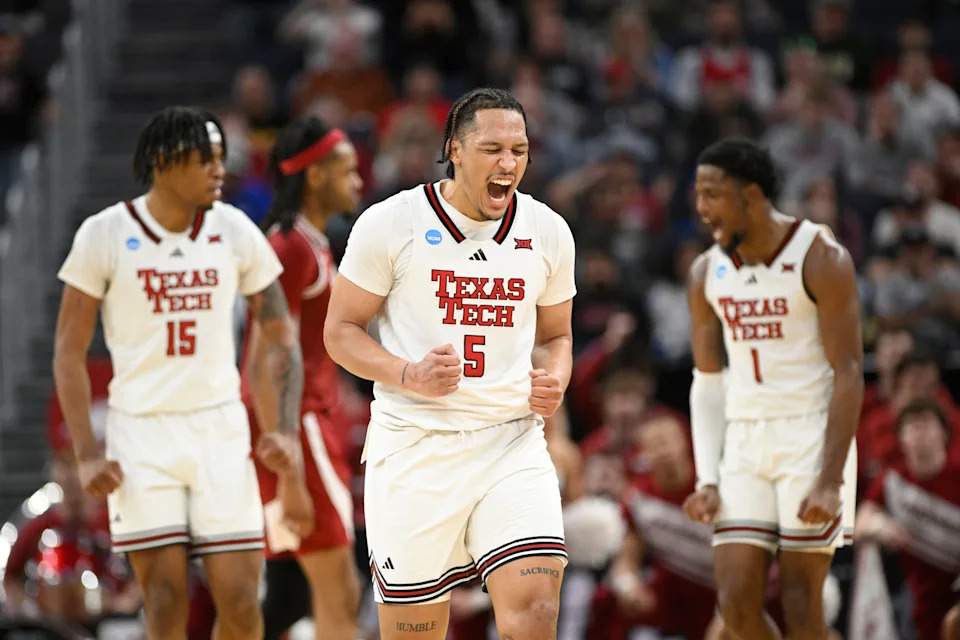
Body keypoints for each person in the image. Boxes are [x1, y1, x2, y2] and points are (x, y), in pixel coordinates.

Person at [324, 87, 576, 639]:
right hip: (415, 443)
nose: (508, 164)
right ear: (454, 150)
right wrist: (406, 373)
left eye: (519, 150)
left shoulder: (549, 231)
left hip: (510, 440)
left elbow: (557, 336)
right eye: (492, 149)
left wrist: (556, 377)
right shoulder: (390, 223)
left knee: (537, 610)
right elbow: (339, 332)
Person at [52, 106, 307, 640]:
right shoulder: (104, 233)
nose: (221, 169)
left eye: (221, 158)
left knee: (241, 603)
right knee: (165, 604)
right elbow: (68, 351)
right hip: (141, 433)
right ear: (165, 161)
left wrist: (283, 428)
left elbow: (282, 333)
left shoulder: (234, 229)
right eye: (206, 159)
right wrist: (86, 453)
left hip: (219, 429)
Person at [682, 137, 862, 639]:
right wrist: (706, 478)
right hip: (743, 439)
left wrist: (829, 478)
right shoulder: (705, 273)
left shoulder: (821, 256)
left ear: (752, 196)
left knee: (803, 604)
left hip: (811, 436)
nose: (701, 208)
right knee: (736, 606)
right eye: (698, 194)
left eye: (713, 194)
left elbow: (849, 372)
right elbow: (707, 381)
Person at [241, 115, 364, 640]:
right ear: (315, 176)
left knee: (304, 596)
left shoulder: (311, 242)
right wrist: (288, 469)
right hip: (301, 428)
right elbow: (262, 366)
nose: (359, 181)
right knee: (339, 591)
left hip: (313, 422)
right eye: (349, 171)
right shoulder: (288, 247)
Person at [855, 399, 960, 640]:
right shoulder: (893, 480)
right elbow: (861, 522)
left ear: (944, 433)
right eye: (911, 426)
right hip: (919, 596)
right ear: (900, 437)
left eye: (926, 424)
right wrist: (879, 526)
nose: (919, 432)